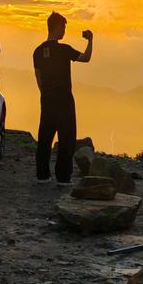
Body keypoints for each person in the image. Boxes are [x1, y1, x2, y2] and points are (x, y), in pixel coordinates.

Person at [33, 11, 93, 185]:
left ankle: (42, 175)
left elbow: (39, 79)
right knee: (66, 138)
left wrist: (45, 95)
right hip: (65, 100)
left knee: (45, 137)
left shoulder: (37, 51)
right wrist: (90, 40)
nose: (64, 32)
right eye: (63, 28)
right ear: (58, 27)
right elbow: (86, 58)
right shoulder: (64, 50)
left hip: (47, 98)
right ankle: (63, 177)